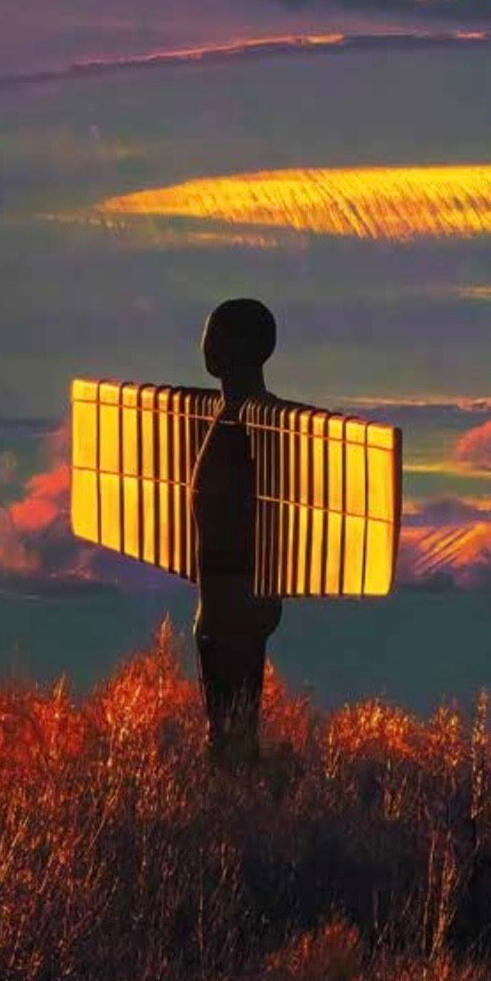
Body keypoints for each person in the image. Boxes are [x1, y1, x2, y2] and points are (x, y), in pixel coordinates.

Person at [190, 298, 283, 765]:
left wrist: (265, 592)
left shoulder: (263, 420)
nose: (206, 345)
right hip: (213, 601)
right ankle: (228, 783)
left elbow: (276, 510)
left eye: (216, 334)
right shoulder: (222, 412)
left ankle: (242, 792)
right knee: (220, 728)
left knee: (236, 731)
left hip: (241, 600)